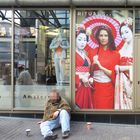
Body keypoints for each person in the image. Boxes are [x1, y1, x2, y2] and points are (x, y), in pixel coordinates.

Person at [88, 26, 120, 109]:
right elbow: (90, 73)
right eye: (101, 35)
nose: (103, 38)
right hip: (95, 87)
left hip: (108, 87)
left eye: (106, 35)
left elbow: (114, 74)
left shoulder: (116, 54)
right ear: (98, 37)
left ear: (109, 37)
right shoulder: (93, 51)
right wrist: (93, 64)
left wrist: (100, 67)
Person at [114, 18, 133, 109]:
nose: (124, 35)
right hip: (122, 79)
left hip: (131, 80)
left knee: (130, 100)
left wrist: (122, 68)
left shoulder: (136, 46)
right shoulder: (122, 48)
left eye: (126, 32)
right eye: (122, 33)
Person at [75, 29, 93, 109]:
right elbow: (69, 71)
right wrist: (81, 77)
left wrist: (90, 77)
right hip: (78, 83)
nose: (82, 42)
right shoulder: (73, 53)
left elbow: (88, 69)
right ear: (74, 39)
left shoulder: (85, 53)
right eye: (79, 39)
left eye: (85, 40)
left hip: (86, 83)